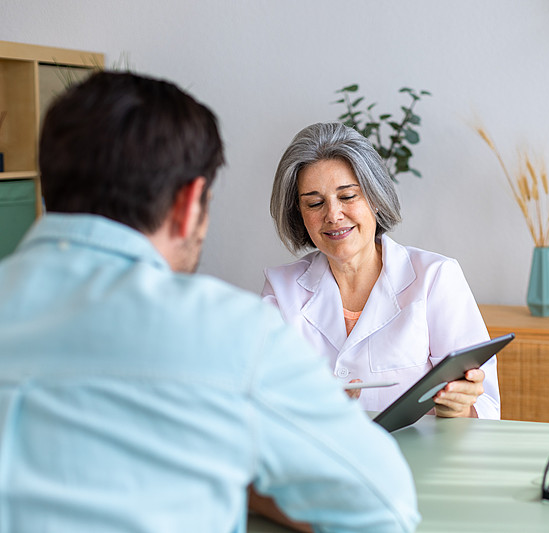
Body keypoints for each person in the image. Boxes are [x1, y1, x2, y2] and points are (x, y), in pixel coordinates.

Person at [0, 72, 419, 533]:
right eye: (314, 202)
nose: (332, 214)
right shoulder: (229, 331)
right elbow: (384, 505)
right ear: (189, 203)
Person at [262, 122, 500, 419]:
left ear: (374, 198)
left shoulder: (435, 277)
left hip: (418, 462)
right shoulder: (282, 289)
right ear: (299, 214)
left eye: (347, 196)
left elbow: (488, 408)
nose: (333, 215)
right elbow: (260, 402)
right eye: (314, 203)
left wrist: (461, 409)